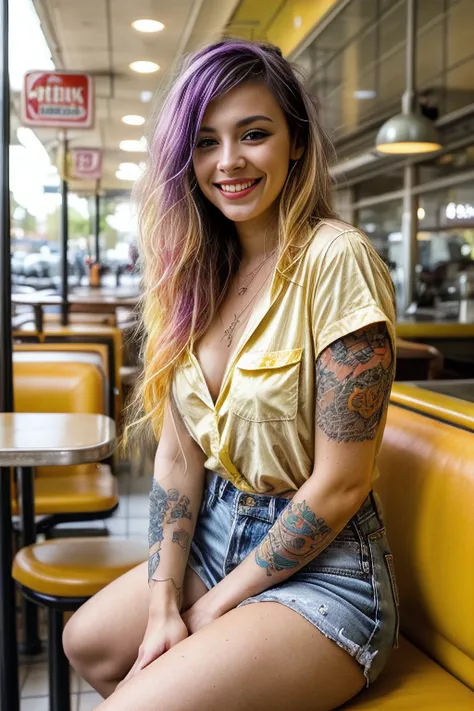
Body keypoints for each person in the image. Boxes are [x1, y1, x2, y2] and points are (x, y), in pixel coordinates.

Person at [63, 38, 399, 711]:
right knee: (88, 641)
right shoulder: (190, 273)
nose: (229, 161)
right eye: (206, 142)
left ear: (296, 142)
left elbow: (341, 484)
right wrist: (164, 600)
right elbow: (179, 453)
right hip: (215, 534)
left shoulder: (336, 258)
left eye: (254, 133)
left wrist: (218, 602)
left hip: (327, 571)